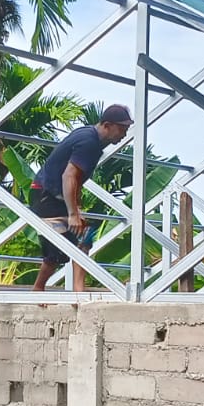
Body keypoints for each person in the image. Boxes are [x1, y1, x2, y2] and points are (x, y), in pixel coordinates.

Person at [30, 104, 133, 291]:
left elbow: (76, 179)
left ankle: (79, 291)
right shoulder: (89, 142)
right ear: (107, 125)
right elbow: (68, 176)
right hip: (45, 194)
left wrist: (77, 208)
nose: (124, 134)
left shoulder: (90, 137)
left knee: (84, 237)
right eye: (122, 129)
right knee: (57, 249)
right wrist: (72, 214)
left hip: (59, 196)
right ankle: (38, 288)